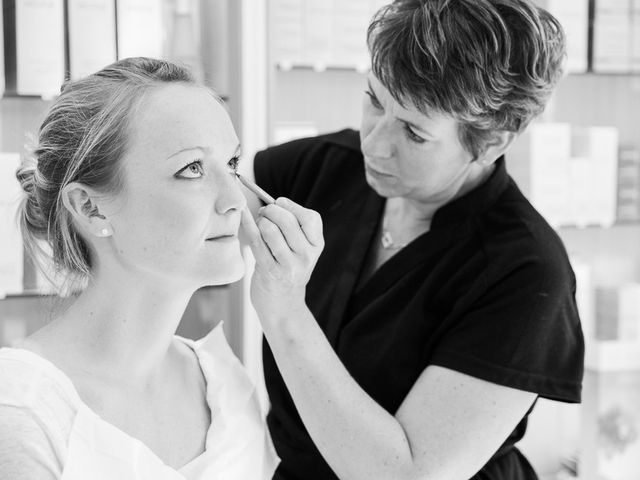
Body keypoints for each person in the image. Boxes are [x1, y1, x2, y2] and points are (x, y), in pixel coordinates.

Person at [242, 1, 585, 479]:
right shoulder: (324, 167)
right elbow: (214, 196)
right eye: (375, 101)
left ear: (491, 143)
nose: (375, 144)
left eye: (414, 132)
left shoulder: (525, 272)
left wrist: (284, 312)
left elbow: (405, 474)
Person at [0, 57, 279, 479]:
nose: (236, 200)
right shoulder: (24, 410)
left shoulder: (224, 386)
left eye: (233, 164)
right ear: (90, 208)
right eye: (192, 169)